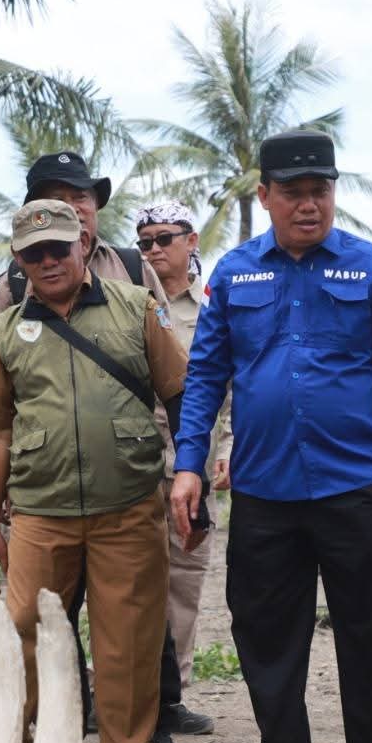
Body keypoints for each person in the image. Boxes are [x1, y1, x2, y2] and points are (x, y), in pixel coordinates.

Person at [170, 129, 372, 743]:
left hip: (355, 487)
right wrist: (188, 464)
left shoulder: (371, 268)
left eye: (320, 190)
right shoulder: (234, 273)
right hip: (264, 490)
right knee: (266, 637)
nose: (309, 204)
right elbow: (204, 376)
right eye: (293, 193)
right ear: (265, 197)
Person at [0, 151, 212, 743]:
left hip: (129, 495)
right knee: (26, 628)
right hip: (41, 506)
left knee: (129, 636)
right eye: (35, 254)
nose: (49, 261)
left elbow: (180, 391)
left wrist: (187, 473)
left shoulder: (134, 298)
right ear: (20, 259)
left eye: (59, 249)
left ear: (84, 241)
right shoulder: (6, 320)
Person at [134, 200, 233, 690]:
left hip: (191, 466)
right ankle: (133, 690)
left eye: (163, 239)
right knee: (132, 583)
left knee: (185, 583)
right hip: (134, 467)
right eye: (144, 241)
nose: (153, 250)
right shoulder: (128, 303)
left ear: (191, 241)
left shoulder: (216, 309)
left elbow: (233, 390)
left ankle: (176, 694)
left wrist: (228, 449)